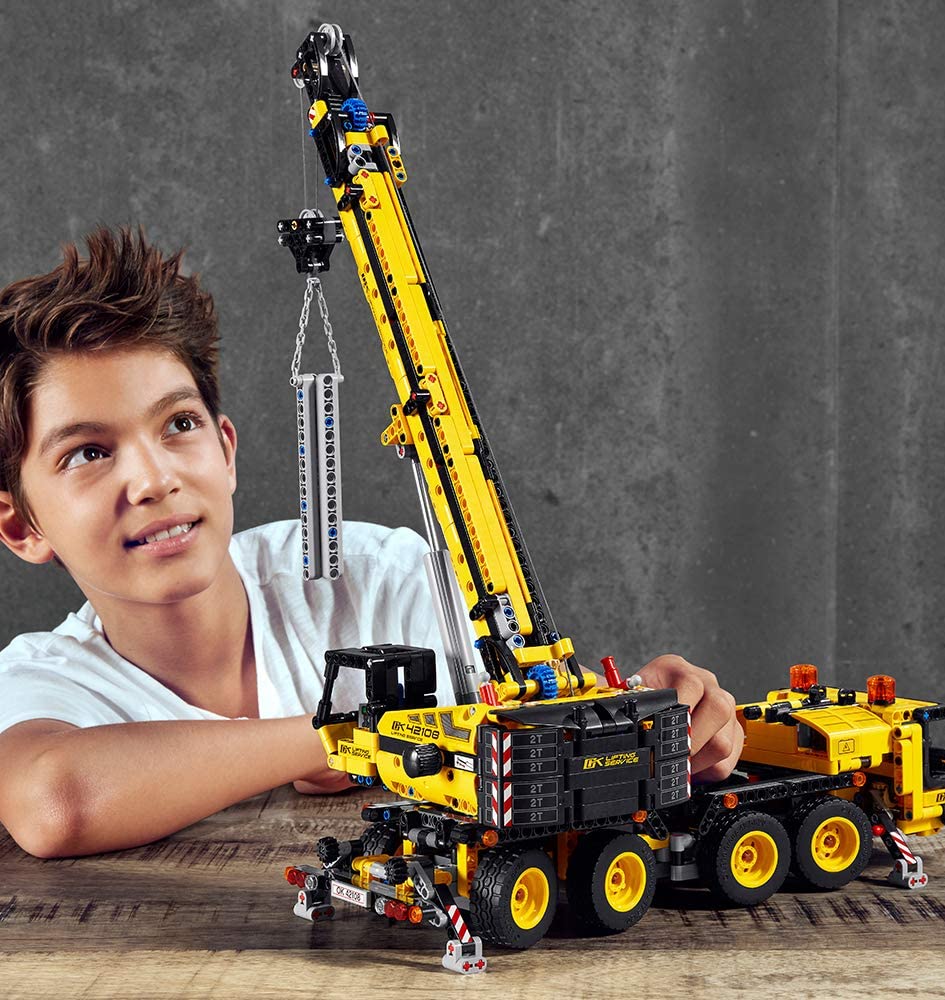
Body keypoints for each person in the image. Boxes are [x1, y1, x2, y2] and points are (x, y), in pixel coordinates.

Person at [0, 226, 743, 859]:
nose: (155, 479)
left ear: (226, 451)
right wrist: (352, 738)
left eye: (179, 426)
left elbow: (551, 717)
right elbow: (55, 802)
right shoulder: (46, 681)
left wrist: (659, 725)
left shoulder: (380, 580)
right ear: (20, 525)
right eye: (88, 453)